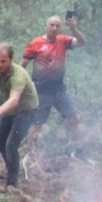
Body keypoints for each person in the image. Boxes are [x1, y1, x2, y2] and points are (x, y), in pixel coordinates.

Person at [21, 14, 88, 160]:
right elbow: (22, 66)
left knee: (74, 118)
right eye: (52, 25)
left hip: (59, 89)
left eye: (57, 25)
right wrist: (22, 88)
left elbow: (82, 42)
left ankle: (78, 152)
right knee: (36, 125)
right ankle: (31, 158)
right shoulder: (36, 43)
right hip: (41, 90)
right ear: (46, 26)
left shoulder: (63, 40)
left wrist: (73, 28)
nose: (54, 28)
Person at [0, 43, 40, 191]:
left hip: (27, 109)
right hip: (10, 108)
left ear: (11, 59)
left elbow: (14, 100)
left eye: (3, 61)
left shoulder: (18, 75)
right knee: (0, 141)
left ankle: (12, 184)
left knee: (11, 144)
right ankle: (13, 168)